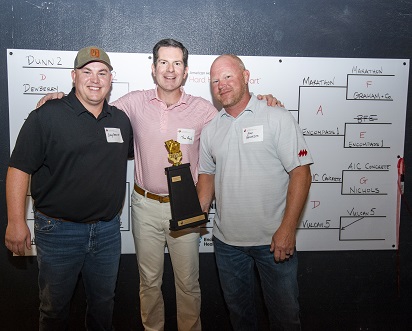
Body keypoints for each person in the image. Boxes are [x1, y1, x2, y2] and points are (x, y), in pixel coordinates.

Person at [36, 39, 282, 331]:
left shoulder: (204, 110)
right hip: (145, 205)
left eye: (177, 63)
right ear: (153, 69)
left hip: (186, 208)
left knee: (188, 283)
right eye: (163, 63)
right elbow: (92, 106)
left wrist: (263, 101)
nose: (170, 70)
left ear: (186, 71)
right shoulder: (132, 103)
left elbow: (234, 119)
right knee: (149, 282)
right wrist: (60, 99)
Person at [5, 46, 134, 330]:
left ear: (111, 79)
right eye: (87, 72)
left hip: (107, 232)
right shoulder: (47, 115)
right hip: (59, 232)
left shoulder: (121, 121)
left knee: (103, 306)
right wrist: (15, 221)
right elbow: (19, 168)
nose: (95, 79)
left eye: (102, 73)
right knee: (54, 311)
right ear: (73, 76)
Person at [196, 54, 313, 331]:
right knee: (240, 318)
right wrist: (195, 214)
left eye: (227, 76)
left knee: (285, 319)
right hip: (226, 244)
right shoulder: (211, 130)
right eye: (215, 80)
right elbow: (206, 177)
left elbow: (302, 173)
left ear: (246, 76)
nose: (221, 84)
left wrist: (288, 229)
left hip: (273, 242)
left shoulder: (276, 115)